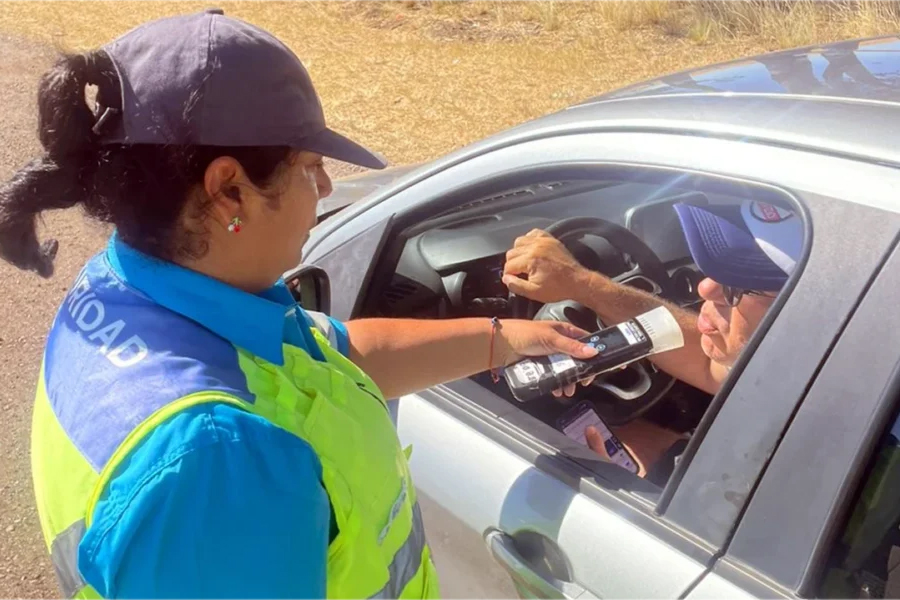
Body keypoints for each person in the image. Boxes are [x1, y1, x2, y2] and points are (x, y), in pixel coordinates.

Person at [1, 11, 601, 599]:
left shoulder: (126, 285)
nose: (328, 188)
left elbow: (331, 354)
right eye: (311, 167)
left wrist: (507, 339)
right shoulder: (220, 463)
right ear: (229, 190)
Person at [503, 199, 803, 479]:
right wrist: (583, 284)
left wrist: (624, 483)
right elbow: (709, 366)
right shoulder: (789, 367)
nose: (705, 289)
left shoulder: (793, 452)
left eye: (738, 287)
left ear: (803, 309)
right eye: (714, 270)